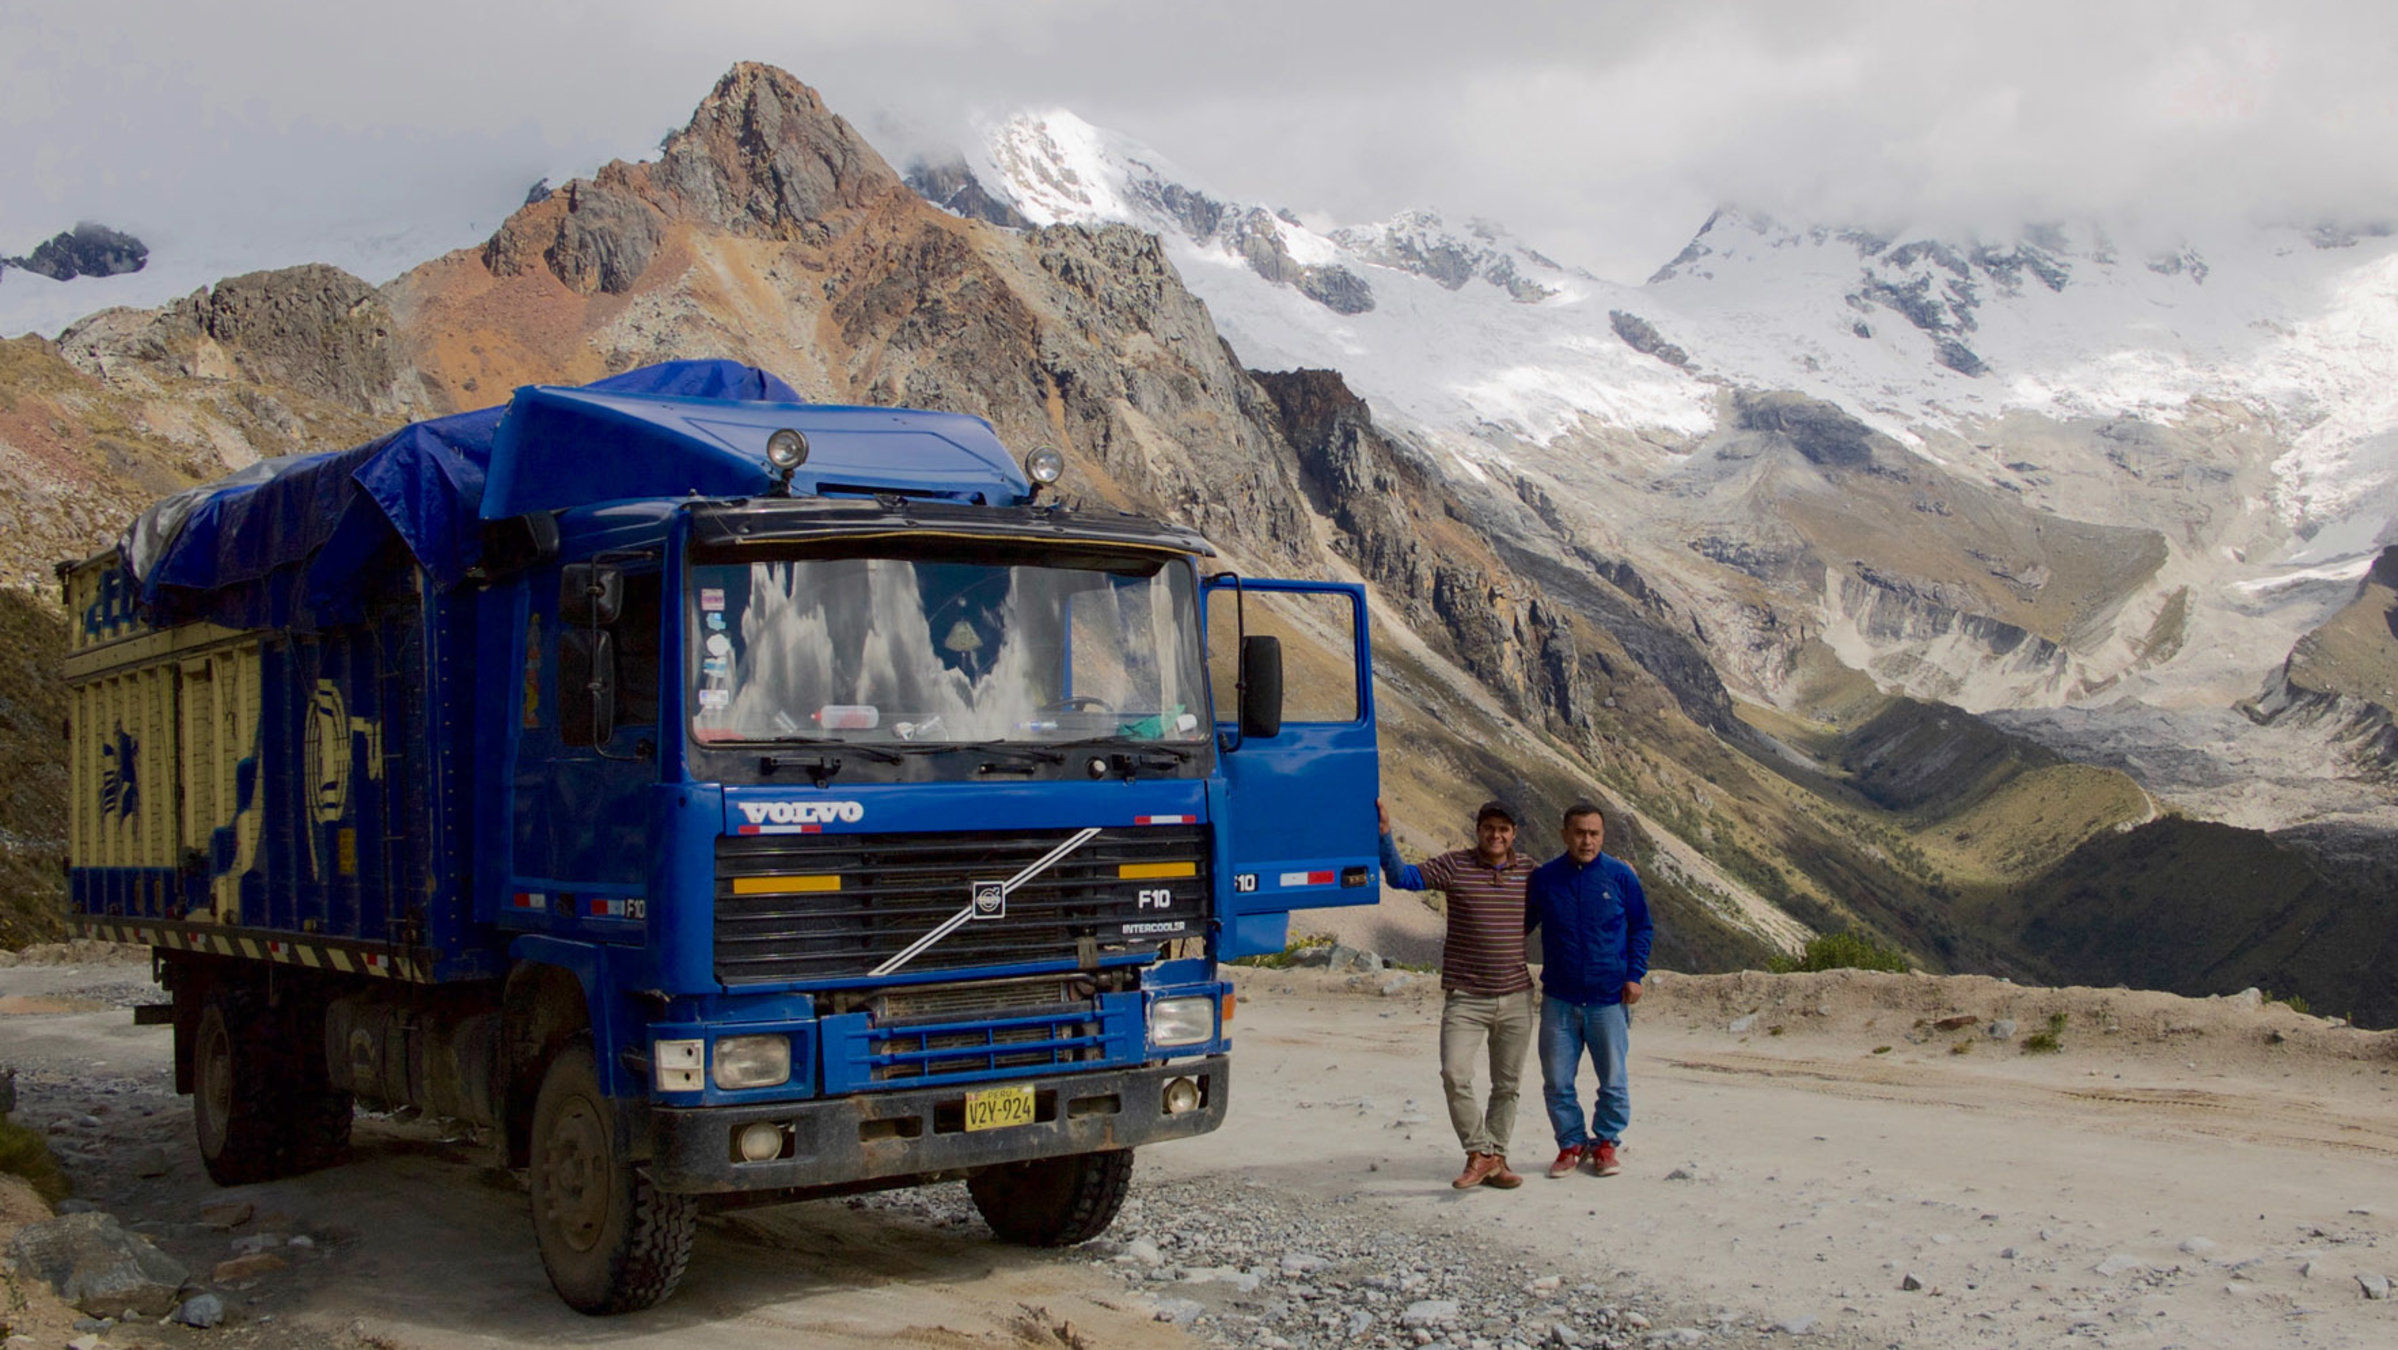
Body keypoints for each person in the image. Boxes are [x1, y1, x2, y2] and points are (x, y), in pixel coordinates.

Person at [1378, 798, 1539, 1190]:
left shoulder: (1531, 871)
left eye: (1504, 829)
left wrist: (1620, 873)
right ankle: (1479, 1152)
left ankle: (1496, 1158)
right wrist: (1384, 835)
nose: (1496, 835)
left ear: (1514, 833)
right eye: (1489, 828)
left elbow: (1571, 889)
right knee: (1454, 1072)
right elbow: (1403, 878)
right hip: (1466, 996)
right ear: (1478, 830)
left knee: (1508, 1085)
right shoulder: (1455, 865)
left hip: (1516, 995)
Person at [1525, 801, 1652, 1179]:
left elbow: (1641, 927)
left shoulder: (1620, 876)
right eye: (1579, 832)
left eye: (1594, 833)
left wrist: (1635, 975)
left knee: (1613, 1078)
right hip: (1559, 998)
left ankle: (1606, 1144)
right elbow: (1521, 924)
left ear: (1603, 836)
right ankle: (1571, 1144)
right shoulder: (1546, 878)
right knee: (1558, 1079)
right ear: (1564, 834)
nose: (1586, 840)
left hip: (1609, 997)